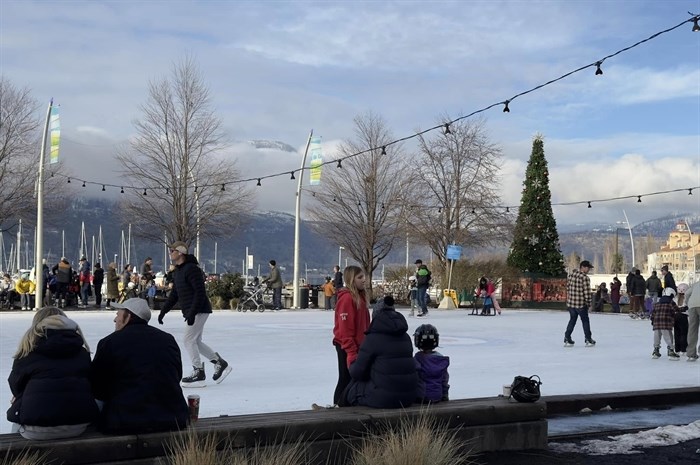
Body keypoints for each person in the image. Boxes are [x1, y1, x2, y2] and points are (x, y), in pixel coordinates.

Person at [91, 298, 189, 433]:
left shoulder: (110, 343)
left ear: (128, 316)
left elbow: (97, 387)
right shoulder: (167, 340)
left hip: (124, 421)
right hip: (173, 418)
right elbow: (176, 375)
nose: (115, 320)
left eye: (118, 314)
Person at [7, 307, 98, 439]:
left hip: (35, 429)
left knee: (19, 412)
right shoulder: (82, 353)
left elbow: (16, 385)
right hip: (78, 425)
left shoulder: (28, 352)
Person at [158, 241, 231, 387]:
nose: (170, 253)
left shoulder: (192, 269)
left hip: (198, 309)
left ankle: (198, 371)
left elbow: (200, 292)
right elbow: (175, 294)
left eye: (172, 250)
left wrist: (192, 313)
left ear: (180, 252)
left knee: (188, 340)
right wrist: (163, 311)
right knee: (195, 341)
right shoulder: (178, 271)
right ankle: (219, 362)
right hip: (192, 311)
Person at [341, 296, 417, 408]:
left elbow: (357, 372)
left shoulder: (373, 338)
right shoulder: (405, 337)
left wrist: (352, 362)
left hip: (384, 399)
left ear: (376, 316)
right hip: (408, 397)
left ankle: (341, 413)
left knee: (352, 390)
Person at [332, 265, 370, 406]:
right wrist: (351, 352)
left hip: (359, 345)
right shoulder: (347, 299)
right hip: (346, 346)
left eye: (364, 276)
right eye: (360, 277)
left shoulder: (360, 297)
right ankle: (339, 406)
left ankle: (347, 406)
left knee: (354, 379)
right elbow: (345, 329)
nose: (364, 280)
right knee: (345, 377)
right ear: (351, 279)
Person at [413, 323, 450, 404]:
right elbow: (444, 381)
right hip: (437, 397)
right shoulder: (440, 360)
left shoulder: (417, 359)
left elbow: (414, 380)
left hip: (421, 398)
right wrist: (445, 395)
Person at [564, 260, 595, 347]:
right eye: (588, 268)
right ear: (583, 267)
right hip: (581, 304)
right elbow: (587, 292)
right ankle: (588, 338)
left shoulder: (571, 275)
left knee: (572, 320)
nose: (589, 270)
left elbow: (568, 288)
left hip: (571, 304)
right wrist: (589, 304)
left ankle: (567, 336)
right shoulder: (584, 278)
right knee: (585, 321)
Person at [650, 288, 681, 360]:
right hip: (666, 323)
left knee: (657, 337)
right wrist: (684, 308)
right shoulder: (671, 302)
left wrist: (652, 321)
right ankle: (671, 351)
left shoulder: (657, 303)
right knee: (668, 337)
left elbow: (653, 313)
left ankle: (656, 350)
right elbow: (677, 310)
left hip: (656, 323)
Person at [684, 280, 700, 362]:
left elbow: (687, 293)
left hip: (692, 306)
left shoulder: (695, 284)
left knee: (692, 330)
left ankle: (691, 354)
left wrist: (687, 303)